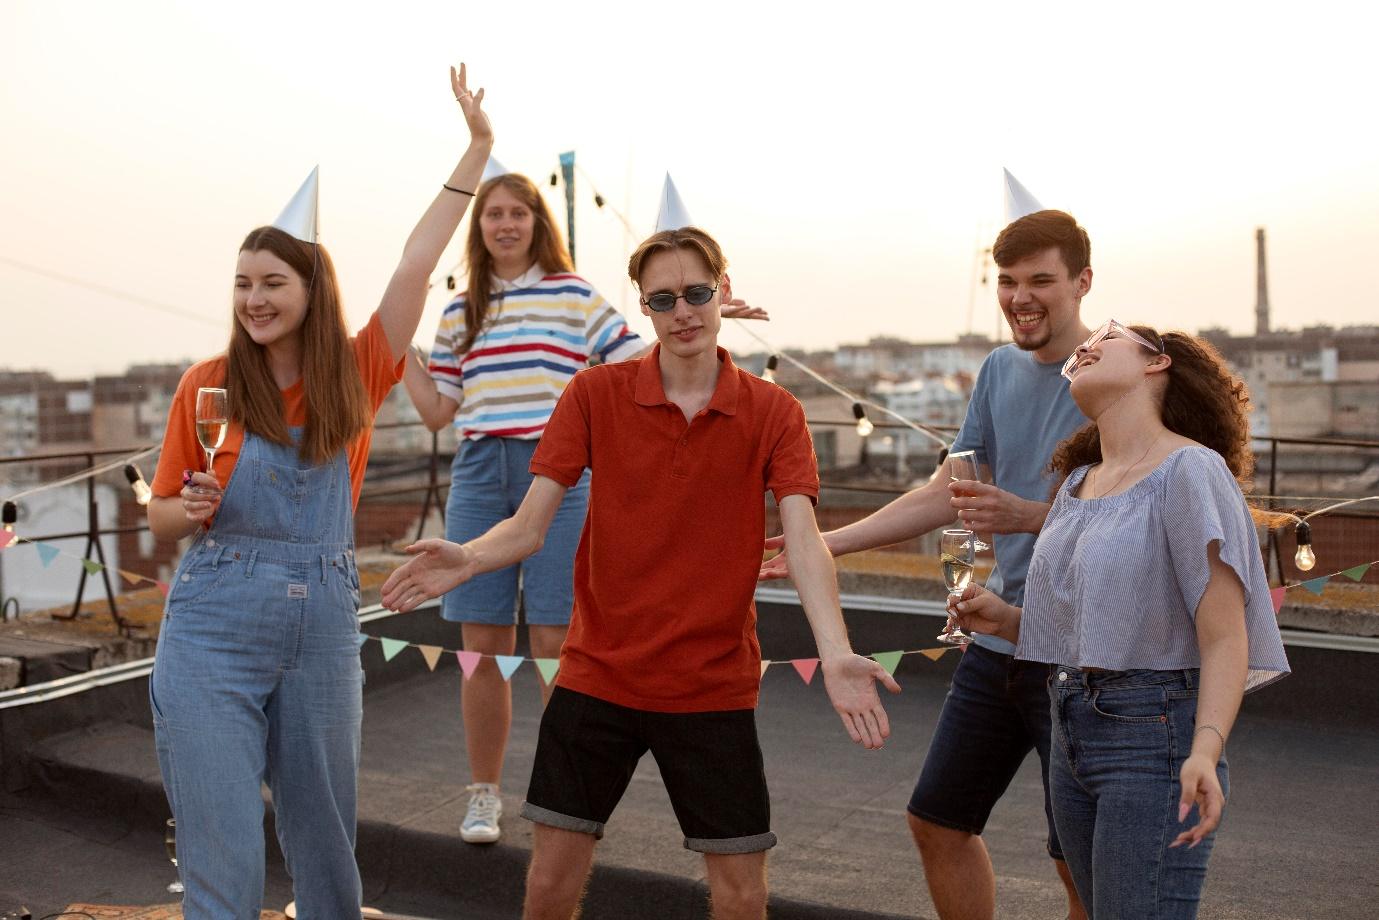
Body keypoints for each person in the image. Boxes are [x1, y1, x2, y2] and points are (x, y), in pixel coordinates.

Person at [382, 226, 899, 920]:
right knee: (546, 889)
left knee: (742, 897)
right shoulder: (594, 394)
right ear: (644, 309)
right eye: (663, 299)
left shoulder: (774, 411)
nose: (682, 311)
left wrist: (834, 653)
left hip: (712, 683)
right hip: (598, 674)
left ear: (722, 291)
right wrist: (469, 556)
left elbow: (804, 544)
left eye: (695, 292)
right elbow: (530, 524)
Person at [145, 65, 492, 918]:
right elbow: (155, 520)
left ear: (310, 290)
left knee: (325, 834)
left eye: (272, 282)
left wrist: (476, 151)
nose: (254, 299)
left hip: (323, 626)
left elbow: (418, 258)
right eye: (243, 283)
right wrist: (182, 512)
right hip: (210, 624)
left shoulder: (359, 372)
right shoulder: (208, 384)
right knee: (217, 831)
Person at [400, 174, 767, 845]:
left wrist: (704, 316)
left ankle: (560, 796)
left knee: (552, 640)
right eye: (492, 215)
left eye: (517, 212)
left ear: (538, 221)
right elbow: (436, 414)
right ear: (478, 229)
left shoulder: (571, 294)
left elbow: (642, 356)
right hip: (481, 468)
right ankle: (483, 792)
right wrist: (395, 351)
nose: (504, 224)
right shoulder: (459, 310)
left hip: (558, 470)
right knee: (480, 643)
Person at [760, 209, 1095, 919]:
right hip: (998, 643)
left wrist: (1029, 515)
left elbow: (1141, 513)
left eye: (1041, 280)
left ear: (1082, 282)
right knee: (937, 823)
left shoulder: (1113, 375)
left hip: (1083, 651)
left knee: (1080, 863)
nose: (1020, 297)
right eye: (1007, 281)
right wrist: (823, 544)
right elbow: (949, 490)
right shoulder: (998, 370)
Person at [950, 321, 1290, 918]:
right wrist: (1002, 618)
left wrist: (1205, 751)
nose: (1085, 347)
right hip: (1070, 724)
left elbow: (1224, 634)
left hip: (1155, 734)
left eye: (1106, 338)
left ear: (1156, 364)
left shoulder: (1190, 470)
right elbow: (1080, 625)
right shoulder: (1081, 483)